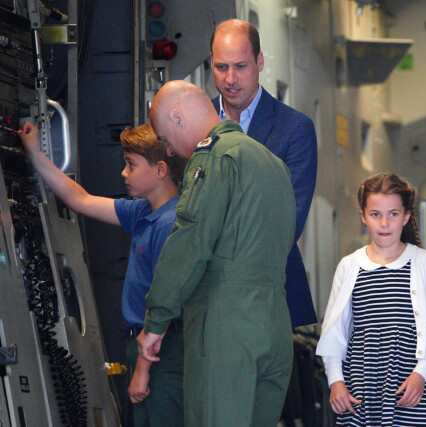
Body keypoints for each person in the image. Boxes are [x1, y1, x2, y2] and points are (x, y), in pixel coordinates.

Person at [137, 80, 296, 426]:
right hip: (275, 326)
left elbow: (189, 243)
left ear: (177, 118)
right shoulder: (272, 164)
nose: (167, 151)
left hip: (228, 330)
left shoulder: (214, 157)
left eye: (163, 139)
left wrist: (156, 322)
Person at [19, 121, 186, 427]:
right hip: (144, 349)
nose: (124, 173)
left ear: (161, 170)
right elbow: (79, 199)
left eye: (131, 165)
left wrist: (142, 371)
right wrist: (35, 154)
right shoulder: (142, 213)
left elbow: (162, 300)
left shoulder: (168, 224)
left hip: (162, 353)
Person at [316, 173, 426, 426]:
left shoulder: (422, 261)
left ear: (406, 216)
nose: (384, 223)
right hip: (360, 382)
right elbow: (334, 332)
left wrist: (420, 374)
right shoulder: (349, 265)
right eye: (376, 214)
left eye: (393, 214)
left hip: (407, 383)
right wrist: (336, 381)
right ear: (364, 217)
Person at [210, 18, 318, 327]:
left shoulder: (295, 129)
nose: (230, 78)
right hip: (205, 300)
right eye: (221, 67)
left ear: (259, 62)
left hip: (271, 298)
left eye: (240, 66)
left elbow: (288, 220)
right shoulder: (197, 125)